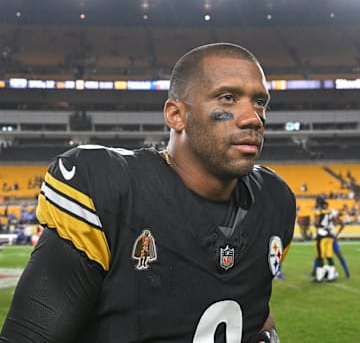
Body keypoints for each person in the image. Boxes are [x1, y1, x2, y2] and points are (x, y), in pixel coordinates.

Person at [0, 43, 296, 343]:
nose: (253, 118)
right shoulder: (112, 190)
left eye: (259, 101)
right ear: (176, 115)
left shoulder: (275, 200)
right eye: (228, 98)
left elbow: (251, 306)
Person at [310, 198, 350, 279]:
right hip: (330, 236)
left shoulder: (328, 213)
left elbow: (341, 223)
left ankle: (346, 271)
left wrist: (337, 234)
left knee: (329, 255)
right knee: (321, 255)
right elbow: (340, 223)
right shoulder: (329, 212)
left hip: (329, 237)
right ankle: (315, 272)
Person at [312, 198, 340, 282]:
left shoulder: (318, 211)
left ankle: (319, 278)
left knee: (320, 256)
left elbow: (316, 223)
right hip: (329, 235)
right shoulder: (331, 211)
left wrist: (316, 224)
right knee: (329, 256)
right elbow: (335, 222)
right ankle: (331, 276)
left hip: (321, 234)